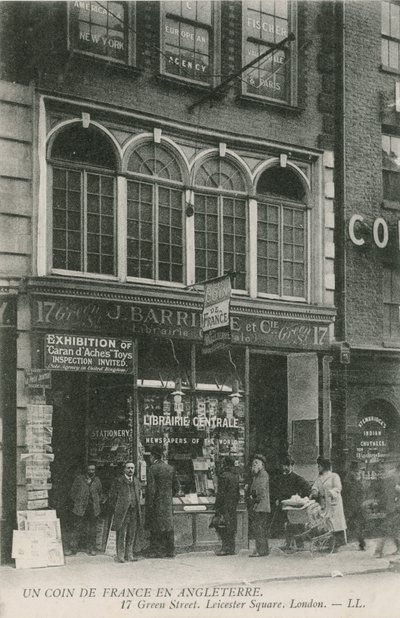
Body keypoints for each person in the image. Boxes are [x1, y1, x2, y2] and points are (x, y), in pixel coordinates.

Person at [146, 446, 179, 558]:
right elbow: (176, 487)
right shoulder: (170, 468)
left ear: (152, 456)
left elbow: (151, 490)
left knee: (157, 527)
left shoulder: (152, 468)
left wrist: (150, 504)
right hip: (168, 503)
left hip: (157, 503)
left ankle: (157, 551)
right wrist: (168, 496)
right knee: (168, 527)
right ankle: (170, 551)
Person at [65, 462, 103, 556]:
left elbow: (100, 493)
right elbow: (72, 493)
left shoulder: (97, 481)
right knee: (77, 528)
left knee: (92, 529)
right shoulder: (79, 479)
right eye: (89, 469)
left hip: (93, 509)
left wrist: (97, 502)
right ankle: (73, 548)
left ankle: (91, 548)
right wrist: (78, 502)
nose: (91, 471)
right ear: (86, 470)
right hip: (80, 508)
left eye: (93, 470)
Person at [109, 461, 142, 563]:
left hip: (134, 511)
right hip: (122, 512)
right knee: (121, 534)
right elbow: (112, 496)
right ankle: (120, 556)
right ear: (124, 469)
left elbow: (139, 494)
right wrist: (117, 508)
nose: (130, 470)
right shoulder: (118, 481)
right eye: (128, 468)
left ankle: (129, 555)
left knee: (131, 534)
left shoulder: (136, 481)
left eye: (132, 468)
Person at [310, 458, 347, 550]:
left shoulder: (334, 476)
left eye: (319, 466)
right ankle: (329, 544)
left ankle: (336, 545)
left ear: (323, 467)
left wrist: (331, 492)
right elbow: (315, 486)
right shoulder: (319, 478)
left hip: (334, 502)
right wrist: (314, 490)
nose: (318, 468)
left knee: (335, 523)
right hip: (324, 503)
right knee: (327, 523)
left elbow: (338, 487)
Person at [277, 457, 310, 550]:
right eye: (284, 466)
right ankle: (288, 544)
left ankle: (300, 545)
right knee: (287, 524)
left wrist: (301, 498)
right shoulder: (281, 478)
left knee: (296, 524)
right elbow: (279, 490)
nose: (285, 468)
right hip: (284, 505)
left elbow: (307, 487)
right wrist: (278, 499)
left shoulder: (297, 478)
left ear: (292, 466)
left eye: (287, 466)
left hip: (294, 506)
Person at [213, 456, 240, 556]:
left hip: (224, 505)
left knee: (223, 526)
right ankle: (231, 548)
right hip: (232, 505)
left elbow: (221, 493)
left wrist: (217, 506)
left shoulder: (224, 476)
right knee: (231, 526)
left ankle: (224, 548)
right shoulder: (235, 476)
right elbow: (237, 493)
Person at [373, 461, 400, 558]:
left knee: (388, 528)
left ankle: (378, 551)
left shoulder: (391, 477)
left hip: (393, 507)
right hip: (393, 507)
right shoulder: (392, 477)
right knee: (391, 529)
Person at [248, 453, 271, 557]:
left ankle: (260, 550)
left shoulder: (262, 474)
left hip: (260, 506)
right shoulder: (257, 475)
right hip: (260, 506)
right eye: (253, 464)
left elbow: (260, 490)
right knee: (260, 528)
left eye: (256, 464)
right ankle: (263, 550)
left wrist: (254, 498)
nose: (254, 466)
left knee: (259, 529)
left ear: (262, 465)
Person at [342, 460, 366, 551]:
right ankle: (361, 542)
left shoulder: (349, 476)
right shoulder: (357, 476)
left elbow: (346, 490)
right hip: (357, 503)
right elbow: (362, 490)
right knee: (358, 524)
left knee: (352, 522)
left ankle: (356, 540)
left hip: (352, 504)